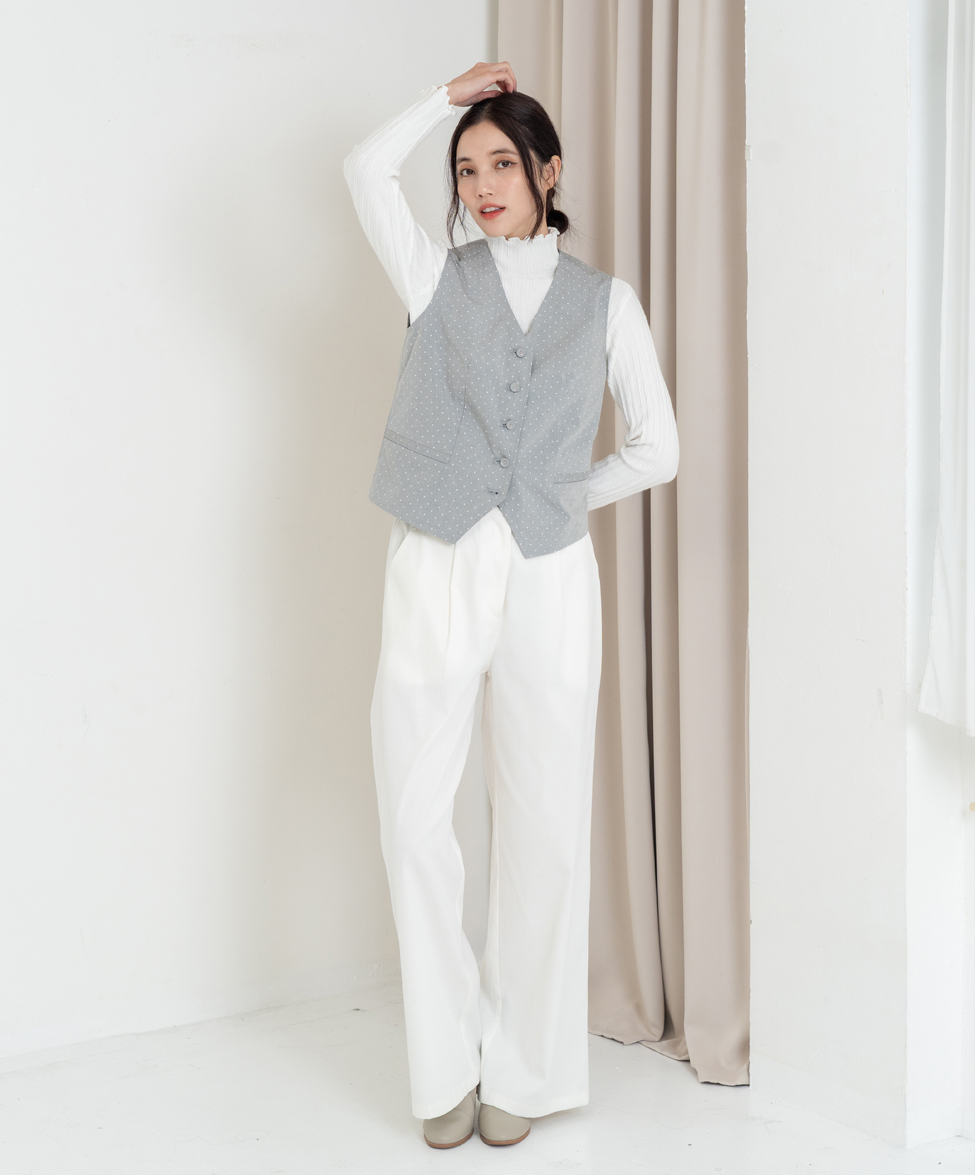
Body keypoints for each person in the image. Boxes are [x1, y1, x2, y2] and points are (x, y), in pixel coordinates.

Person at [343, 61, 678, 1149]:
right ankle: (444, 1063)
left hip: (549, 570)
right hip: (434, 559)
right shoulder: (432, 275)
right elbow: (362, 168)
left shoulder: (605, 302)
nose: (481, 185)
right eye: (465, 168)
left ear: (549, 170)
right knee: (414, 814)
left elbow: (659, 447)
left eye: (501, 163)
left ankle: (524, 1069)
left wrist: (565, 491)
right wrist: (442, 101)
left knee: (544, 822)